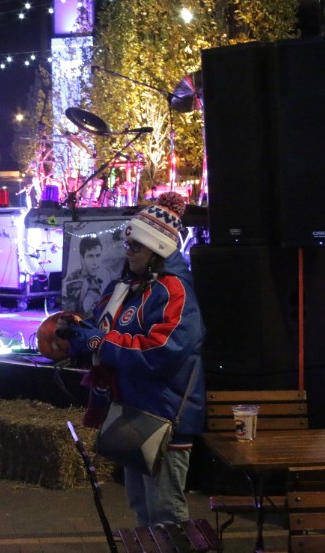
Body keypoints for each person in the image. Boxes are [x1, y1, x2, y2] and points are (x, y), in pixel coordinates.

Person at [61, 192, 205, 527]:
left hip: (164, 417)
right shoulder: (128, 287)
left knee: (165, 512)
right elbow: (107, 330)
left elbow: (162, 352)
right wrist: (79, 333)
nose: (127, 252)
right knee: (141, 507)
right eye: (127, 245)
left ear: (157, 250)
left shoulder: (174, 291)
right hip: (132, 412)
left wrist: (99, 339)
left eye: (135, 247)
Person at [61, 235, 112, 319]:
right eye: (90, 256)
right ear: (82, 258)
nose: (95, 262)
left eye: (98, 256)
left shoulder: (106, 277)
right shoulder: (71, 282)